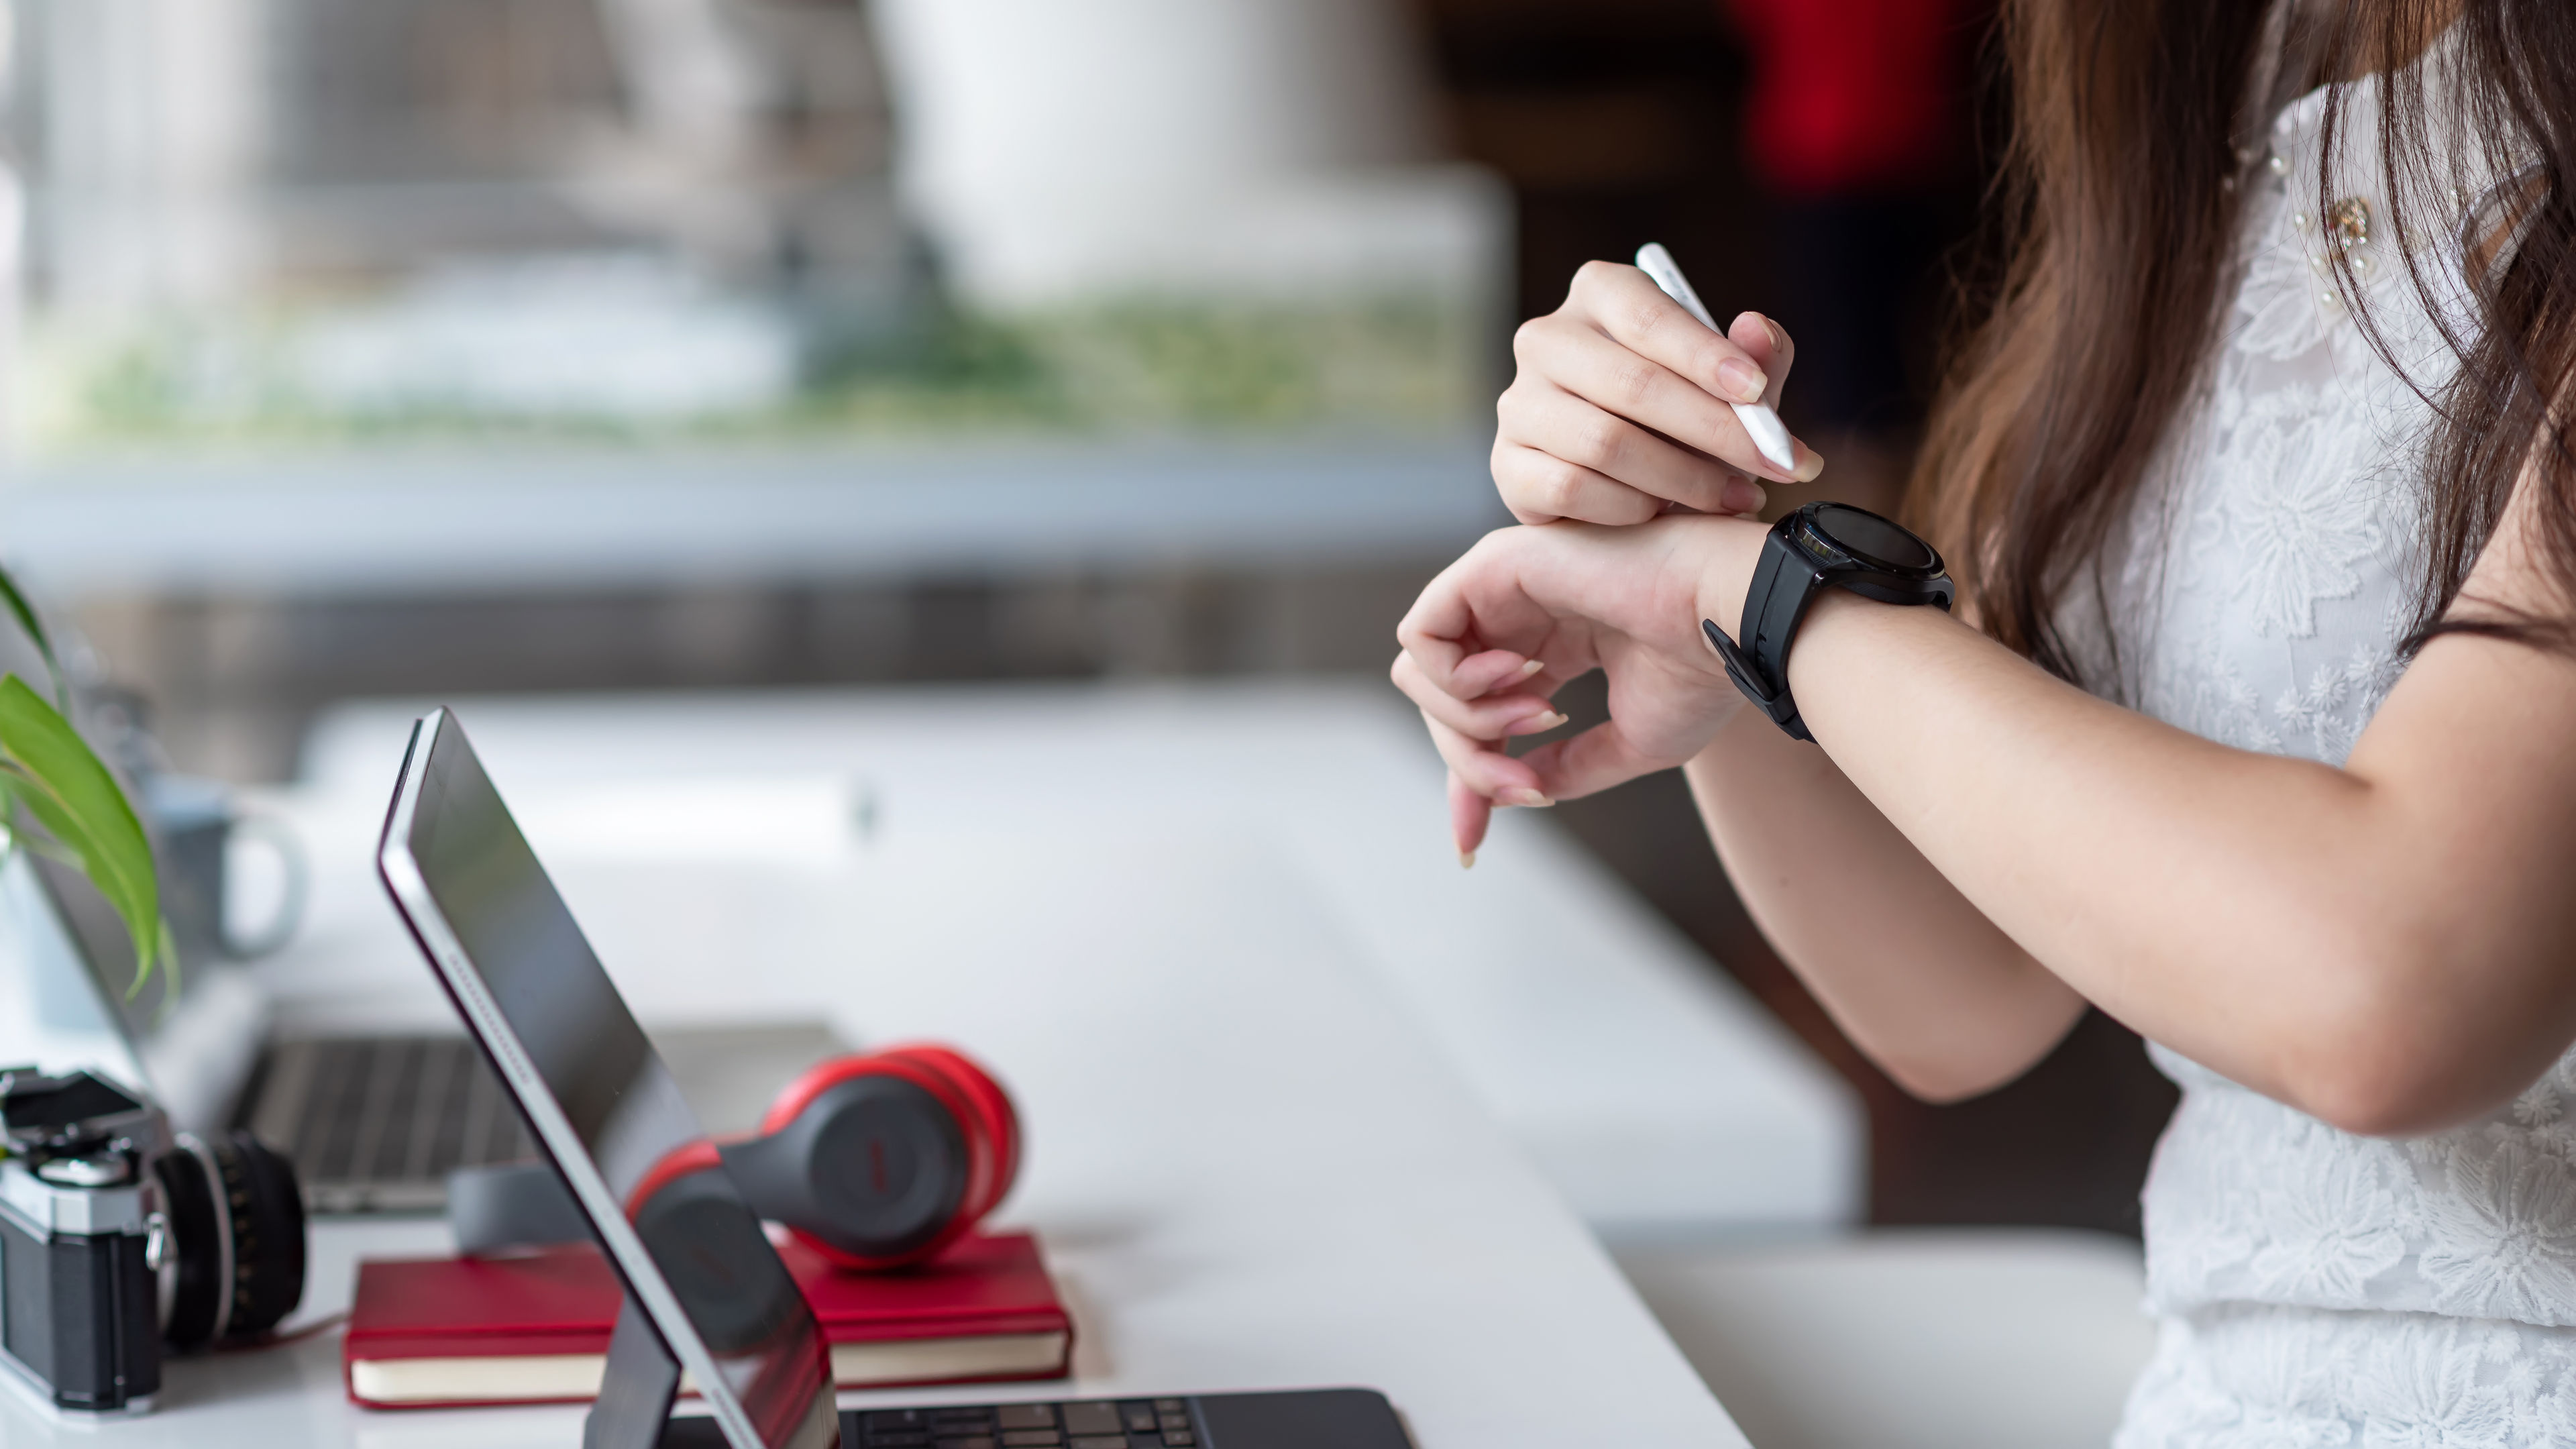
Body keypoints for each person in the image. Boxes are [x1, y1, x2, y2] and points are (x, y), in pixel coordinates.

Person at [1390, 1, 2576, 1441]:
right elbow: (1966, 998)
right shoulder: (2203, 81)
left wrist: (1772, 602)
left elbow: (2392, 998)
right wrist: (1706, 620)